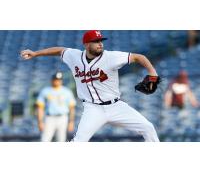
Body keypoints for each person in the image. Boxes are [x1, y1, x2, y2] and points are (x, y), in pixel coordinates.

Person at [21, 30, 160, 142]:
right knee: (79, 142)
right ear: (86, 44)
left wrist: (152, 73)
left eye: (101, 41)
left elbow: (138, 57)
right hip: (92, 109)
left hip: (116, 106)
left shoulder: (111, 57)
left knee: (148, 128)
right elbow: (59, 50)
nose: (100, 44)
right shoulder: (74, 56)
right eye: (96, 41)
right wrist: (36, 54)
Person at [36, 72, 76, 142]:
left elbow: (72, 108)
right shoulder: (45, 91)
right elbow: (40, 108)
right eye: (56, 79)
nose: (57, 81)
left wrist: (71, 122)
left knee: (61, 140)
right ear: (52, 80)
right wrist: (40, 121)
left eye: (59, 79)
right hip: (50, 118)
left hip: (63, 118)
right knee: (45, 140)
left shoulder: (67, 91)